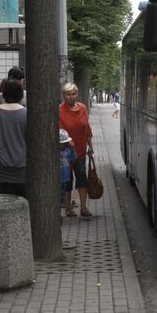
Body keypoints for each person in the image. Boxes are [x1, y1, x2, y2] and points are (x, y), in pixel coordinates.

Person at [0, 78, 27, 196]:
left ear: (4, 93)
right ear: (20, 95)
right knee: (21, 205)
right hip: (22, 167)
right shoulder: (26, 114)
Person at [60, 82, 94, 217]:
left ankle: (84, 207)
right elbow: (59, 131)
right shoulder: (59, 110)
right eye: (68, 94)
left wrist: (90, 146)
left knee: (82, 177)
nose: (71, 97)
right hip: (65, 153)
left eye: (73, 94)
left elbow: (87, 128)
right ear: (63, 95)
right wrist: (68, 144)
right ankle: (68, 208)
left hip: (80, 151)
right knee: (67, 180)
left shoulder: (83, 108)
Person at [59, 128, 77, 209]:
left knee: (64, 192)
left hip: (66, 178)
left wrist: (73, 148)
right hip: (58, 178)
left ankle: (64, 203)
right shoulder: (54, 151)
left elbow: (73, 159)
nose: (63, 145)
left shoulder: (68, 151)